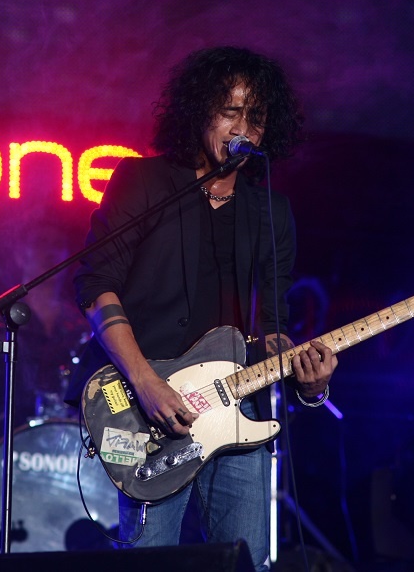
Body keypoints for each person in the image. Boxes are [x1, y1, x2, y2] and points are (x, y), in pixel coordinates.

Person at [69, 46, 338, 571]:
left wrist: (311, 384)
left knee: (247, 562)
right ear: (199, 111)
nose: (244, 128)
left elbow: (272, 328)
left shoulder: (270, 211)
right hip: (147, 408)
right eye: (230, 111)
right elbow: (96, 285)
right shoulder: (144, 182)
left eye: (256, 117)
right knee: (147, 562)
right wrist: (146, 382)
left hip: (239, 413)